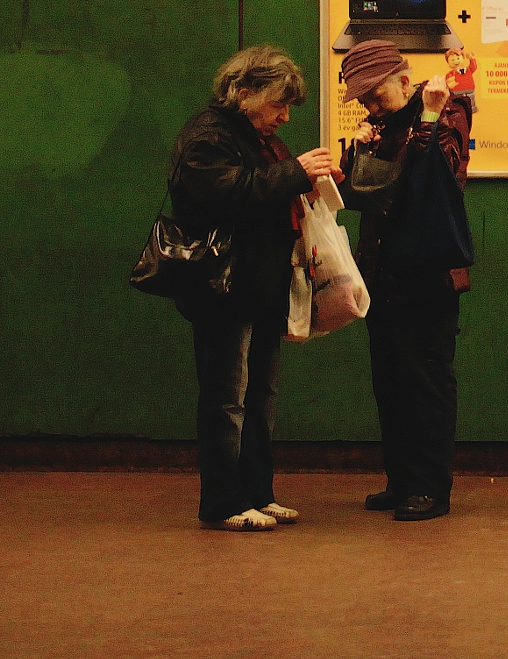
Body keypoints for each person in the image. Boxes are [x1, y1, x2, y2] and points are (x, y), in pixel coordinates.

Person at [167, 45, 335, 531]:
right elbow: (227, 193)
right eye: (278, 104)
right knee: (226, 399)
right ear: (243, 92)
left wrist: (306, 181)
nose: (284, 116)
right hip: (223, 290)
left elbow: (262, 187)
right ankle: (222, 503)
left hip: (258, 286)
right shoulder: (207, 136)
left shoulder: (251, 137)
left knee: (259, 396)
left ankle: (257, 492)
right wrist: (295, 173)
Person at [339, 40, 473, 523]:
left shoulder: (448, 108)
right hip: (381, 273)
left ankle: (430, 488)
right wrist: (357, 151)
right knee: (391, 381)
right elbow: (368, 196)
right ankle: (401, 481)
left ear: (402, 78)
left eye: (376, 95)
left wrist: (430, 119)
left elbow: (432, 177)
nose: (372, 107)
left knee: (427, 382)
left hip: (427, 274)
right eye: (364, 100)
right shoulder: (381, 126)